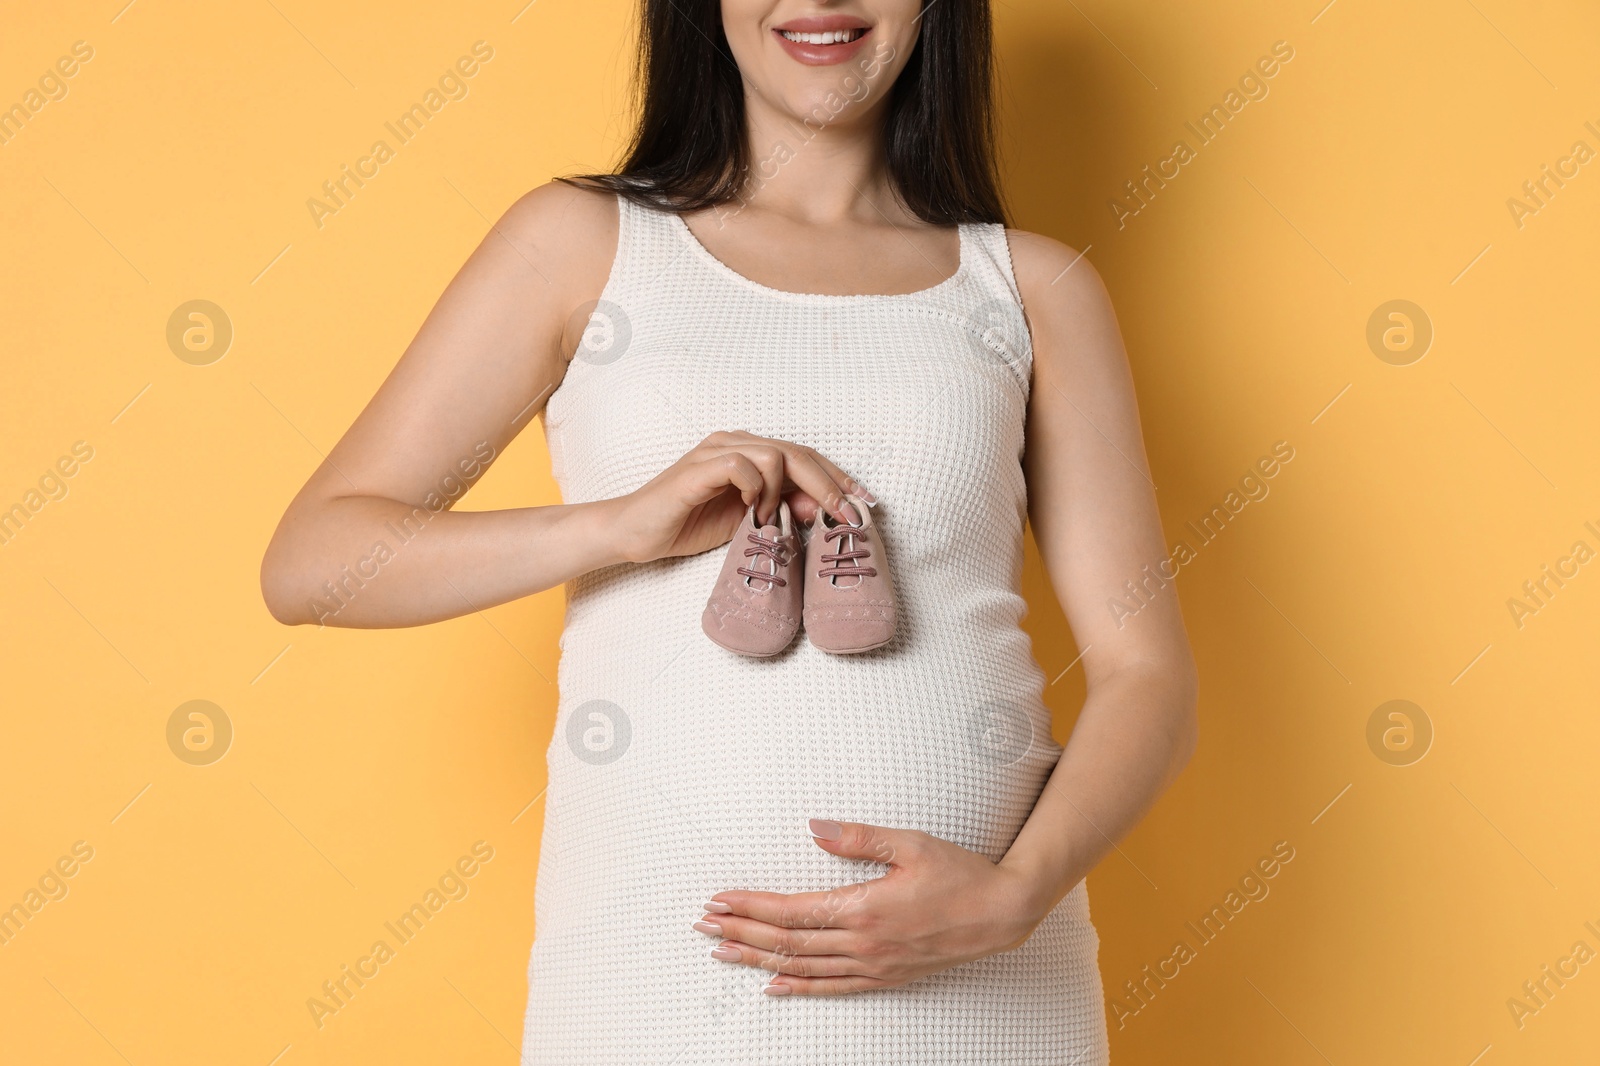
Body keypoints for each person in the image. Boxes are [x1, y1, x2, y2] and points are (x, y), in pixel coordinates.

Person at [260, 1, 1198, 1062]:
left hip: (983, 998)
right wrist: (615, 527)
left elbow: (1145, 673)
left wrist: (1011, 900)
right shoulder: (582, 243)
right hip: (655, 989)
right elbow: (314, 563)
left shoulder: (1029, 287)